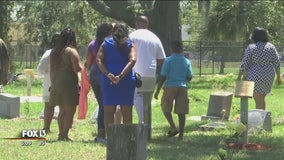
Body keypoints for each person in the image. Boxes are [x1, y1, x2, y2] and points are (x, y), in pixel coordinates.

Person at [96, 22, 137, 140]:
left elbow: (98, 60)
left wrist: (108, 74)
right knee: (127, 111)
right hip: (126, 81)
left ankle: (110, 138)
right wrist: (121, 75)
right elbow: (132, 60)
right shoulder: (130, 45)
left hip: (108, 81)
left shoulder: (105, 43)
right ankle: (128, 137)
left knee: (109, 111)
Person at [129, 15, 166, 124]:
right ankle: (146, 123)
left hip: (135, 72)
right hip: (150, 73)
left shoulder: (132, 36)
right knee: (147, 99)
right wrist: (151, 64)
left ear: (137, 24)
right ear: (147, 24)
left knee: (137, 97)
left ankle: (144, 122)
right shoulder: (154, 37)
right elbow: (161, 59)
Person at [154, 40, 193, 141]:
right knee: (182, 112)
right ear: (181, 49)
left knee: (166, 107)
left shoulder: (168, 60)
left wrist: (157, 90)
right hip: (183, 86)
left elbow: (162, 76)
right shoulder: (186, 61)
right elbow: (189, 77)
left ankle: (173, 127)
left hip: (170, 86)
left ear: (171, 49)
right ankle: (181, 135)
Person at [49, 28, 83, 141]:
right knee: (70, 111)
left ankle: (60, 134)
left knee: (62, 110)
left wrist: (53, 83)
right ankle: (64, 135)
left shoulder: (55, 51)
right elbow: (77, 68)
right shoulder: (71, 51)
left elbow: (52, 70)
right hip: (68, 81)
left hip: (56, 81)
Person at [237, 27, 281, 110]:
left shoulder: (252, 47)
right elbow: (276, 62)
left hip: (255, 74)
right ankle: (262, 117)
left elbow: (245, 62)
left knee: (258, 99)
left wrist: (239, 76)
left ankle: (260, 118)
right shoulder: (271, 47)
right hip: (268, 74)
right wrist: (278, 76)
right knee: (261, 98)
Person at [86, 22, 113, 143]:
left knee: (101, 104)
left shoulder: (92, 44)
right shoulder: (110, 43)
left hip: (94, 74)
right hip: (105, 74)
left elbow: (89, 61)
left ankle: (102, 132)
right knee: (104, 105)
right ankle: (102, 133)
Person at [37, 32, 60, 133]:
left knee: (49, 106)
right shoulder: (67, 52)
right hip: (63, 83)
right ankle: (64, 129)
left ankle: (46, 127)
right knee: (64, 107)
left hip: (49, 83)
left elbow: (41, 69)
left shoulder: (48, 53)